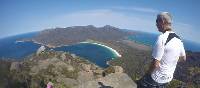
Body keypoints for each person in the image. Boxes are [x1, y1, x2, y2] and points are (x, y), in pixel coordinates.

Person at [137, 12, 186, 88]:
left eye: (157, 21)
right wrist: (169, 63)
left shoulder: (162, 38)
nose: (156, 24)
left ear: (162, 21)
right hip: (168, 79)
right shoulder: (179, 39)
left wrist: (147, 74)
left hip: (156, 78)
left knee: (139, 84)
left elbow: (155, 64)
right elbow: (183, 58)